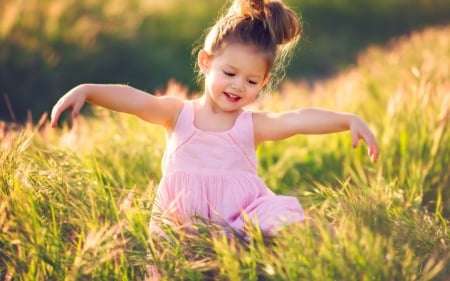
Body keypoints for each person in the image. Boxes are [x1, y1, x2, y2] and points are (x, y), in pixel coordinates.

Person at [51, 0, 378, 251]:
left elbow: (295, 120)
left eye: (251, 81)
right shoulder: (178, 114)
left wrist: (347, 119)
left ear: (263, 83)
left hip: (241, 220)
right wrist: (88, 91)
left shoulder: (250, 125)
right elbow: (136, 100)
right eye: (229, 73)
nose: (238, 86)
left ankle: (351, 246)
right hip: (180, 226)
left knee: (296, 230)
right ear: (206, 62)